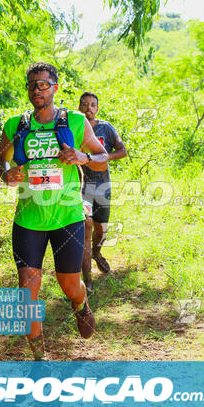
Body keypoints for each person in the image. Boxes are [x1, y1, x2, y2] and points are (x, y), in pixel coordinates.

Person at [0, 62, 108, 360]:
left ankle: (80, 304)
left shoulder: (76, 121)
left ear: (55, 87)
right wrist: (6, 174)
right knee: (26, 291)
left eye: (43, 84)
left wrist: (82, 156)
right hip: (29, 220)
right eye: (32, 85)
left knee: (69, 285)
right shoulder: (16, 124)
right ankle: (39, 358)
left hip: (66, 218)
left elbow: (102, 158)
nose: (36, 90)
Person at [79, 92, 127, 293]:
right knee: (85, 229)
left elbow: (122, 151)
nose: (89, 108)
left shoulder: (105, 128)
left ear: (97, 108)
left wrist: (103, 157)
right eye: (85, 105)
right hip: (80, 186)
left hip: (102, 185)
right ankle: (87, 280)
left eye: (93, 105)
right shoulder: (74, 127)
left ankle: (97, 253)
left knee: (101, 230)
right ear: (79, 108)